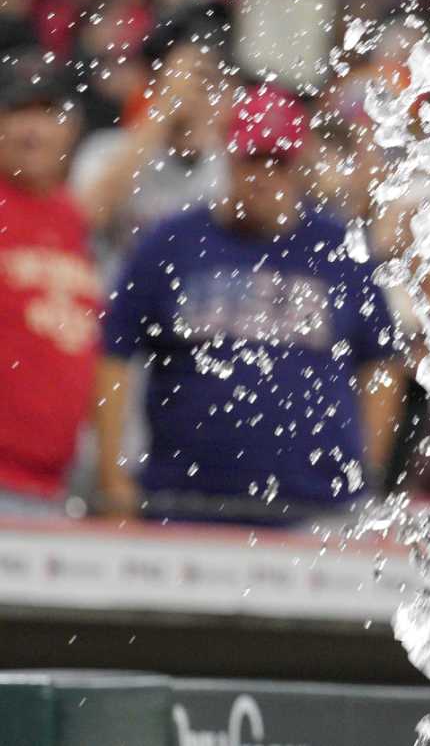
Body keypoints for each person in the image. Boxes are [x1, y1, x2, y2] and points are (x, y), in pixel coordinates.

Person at [96, 83, 403, 526]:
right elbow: (114, 352)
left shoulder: (339, 248)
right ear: (228, 156)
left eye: (277, 162)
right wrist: (112, 479)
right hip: (183, 505)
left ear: (299, 166)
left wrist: (367, 468)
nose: (263, 175)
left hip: (314, 508)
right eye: (251, 159)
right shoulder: (173, 242)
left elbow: (382, 361)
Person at [0, 53, 100, 516]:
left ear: (69, 130)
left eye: (46, 114)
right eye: (18, 112)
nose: (31, 130)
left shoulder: (72, 219)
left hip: (58, 488)